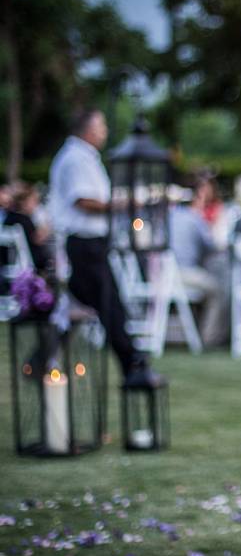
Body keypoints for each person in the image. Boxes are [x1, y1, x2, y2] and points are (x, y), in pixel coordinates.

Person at [48, 109, 161, 387]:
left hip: (90, 244)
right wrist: (122, 204)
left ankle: (41, 361)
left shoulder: (83, 157)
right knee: (110, 306)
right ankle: (133, 366)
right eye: (101, 125)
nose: (105, 131)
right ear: (87, 128)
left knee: (85, 305)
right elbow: (84, 200)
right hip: (84, 244)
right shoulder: (76, 159)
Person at [169, 178, 228, 347]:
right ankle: (210, 338)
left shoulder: (167, 216)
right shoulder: (194, 218)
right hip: (183, 274)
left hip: (160, 276)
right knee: (218, 290)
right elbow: (211, 245)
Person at [3, 182, 52, 272]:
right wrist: (47, 228)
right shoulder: (24, 220)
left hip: (7, 262)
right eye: (34, 202)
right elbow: (38, 239)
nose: (36, 205)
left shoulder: (9, 217)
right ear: (24, 203)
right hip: (29, 261)